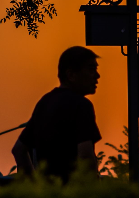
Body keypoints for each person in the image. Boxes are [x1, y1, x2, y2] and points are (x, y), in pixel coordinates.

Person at [12, 46, 102, 182]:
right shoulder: (81, 105)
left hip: (49, 196)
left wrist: (34, 185)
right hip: (73, 196)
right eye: (91, 69)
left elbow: (19, 149)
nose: (97, 75)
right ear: (71, 75)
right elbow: (85, 156)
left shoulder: (45, 102)